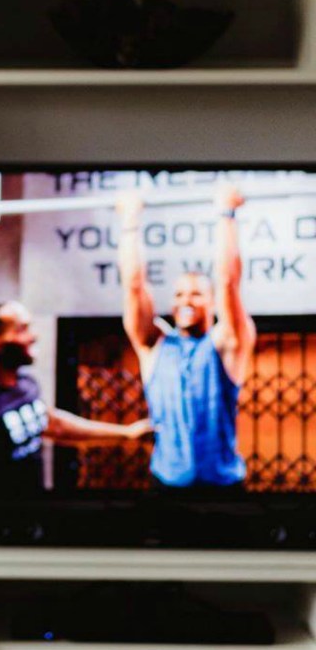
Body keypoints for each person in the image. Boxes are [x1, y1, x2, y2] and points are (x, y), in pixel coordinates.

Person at [0, 301, 152, 496]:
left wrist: (127, 433)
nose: (33, 336)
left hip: (30, 507)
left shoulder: (25, 384)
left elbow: (55, 426)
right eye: (21, 329)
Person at [116, 186, 256, 495]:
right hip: (165, 486)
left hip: (224, 489)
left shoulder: (226, 345)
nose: (185, 300)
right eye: (179, 294)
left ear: (212, 302)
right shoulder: (154, 345)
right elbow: (134, 285)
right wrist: (129, 221)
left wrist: (226, 214)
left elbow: (228, 281)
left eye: (196, 293)